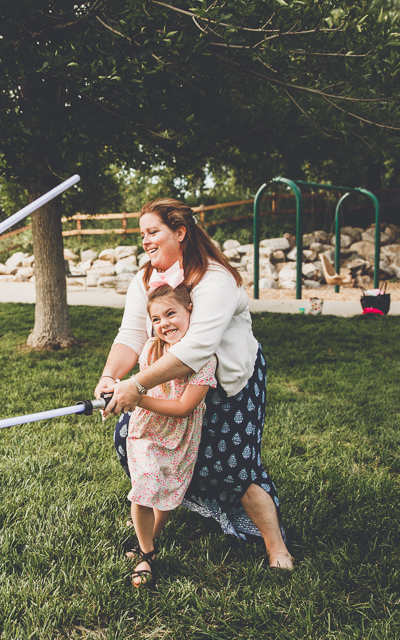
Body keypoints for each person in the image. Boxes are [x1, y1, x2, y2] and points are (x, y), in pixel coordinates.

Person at [96, 197, 295, 571]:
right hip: (164, 385)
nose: (146, 241)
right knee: (137, 444)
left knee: (232, 466)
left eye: (153, 232)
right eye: (143, 234)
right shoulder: (146, 279)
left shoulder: (214, 278)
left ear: (180, 232)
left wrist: (135, 386)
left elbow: (198, 347)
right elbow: (130, 334)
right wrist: (111, 376)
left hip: (226, 385)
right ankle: (148, 531)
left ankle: (276, 546)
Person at [121, 280, 217, 587]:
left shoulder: (204, 359)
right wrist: (126, 393)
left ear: (190, 310)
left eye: (171, 314)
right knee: (146, 486)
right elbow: (140, 384)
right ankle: (146, 554)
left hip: (181, 435)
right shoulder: (152, 348)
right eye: (156, 319)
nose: (164, 323)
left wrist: (139, 397)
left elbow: (184, 407)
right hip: (146, 429)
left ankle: (146, 538)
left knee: (162, 492)